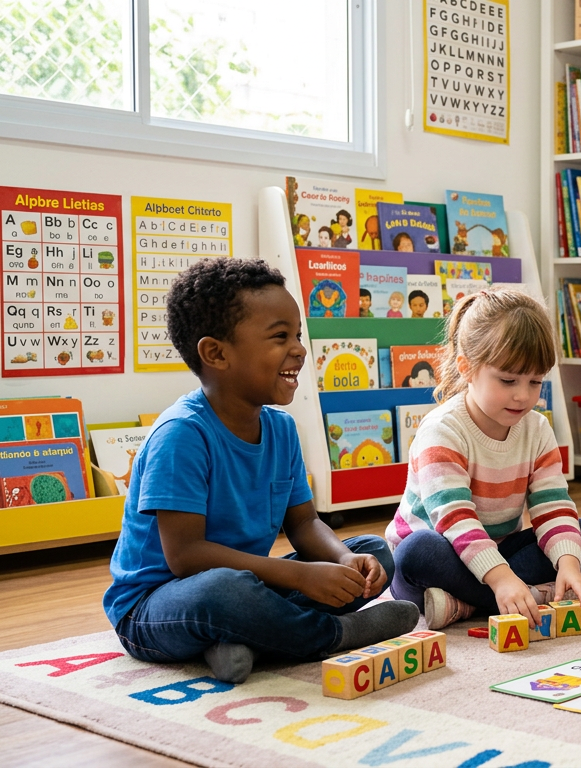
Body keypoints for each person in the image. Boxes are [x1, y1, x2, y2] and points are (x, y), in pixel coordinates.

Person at [103, 258, 417, 684]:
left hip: (250, 583)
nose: (300, 350)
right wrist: (299, 575)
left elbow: (304, 523)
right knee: (225, 593)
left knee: (374, 552)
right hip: (158, 606)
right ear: (216, 353)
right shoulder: (181, 435)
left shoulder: (283, 429)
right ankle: (333, 635)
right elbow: (186, 557)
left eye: (298, 336)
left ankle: (242, 640)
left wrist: (344, 560)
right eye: (279, 337)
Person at [387, 289, 581, 630]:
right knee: (416, 551)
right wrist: (501, 578)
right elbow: (455, 520)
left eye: (535, 381)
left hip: (498, 553)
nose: (523, 395)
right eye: (508, 380)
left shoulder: (536, 427)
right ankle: (529, 596)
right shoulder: (442, 430)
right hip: (440, 554)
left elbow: (553, 504)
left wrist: (567, 564)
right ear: (467, 368)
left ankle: (464, 604)